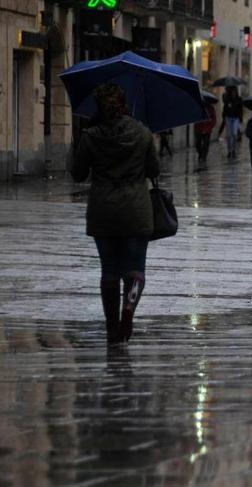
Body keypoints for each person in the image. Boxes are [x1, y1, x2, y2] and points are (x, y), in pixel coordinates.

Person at [70, 83, 160, 345]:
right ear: (124, 104)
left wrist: (78, 143)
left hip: (103, 210)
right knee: (135, 270)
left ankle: (112, 329)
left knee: (109, 271)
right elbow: (154, 170)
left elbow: (78, 174)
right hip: (136, 210)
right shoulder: (142, 133)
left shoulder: (90, 135)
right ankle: (128, 313)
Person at [221, 86, 243, 158]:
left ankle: (233, 150)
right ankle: (229, 151)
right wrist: (223, 117)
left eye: (235, 92)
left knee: (234, 134)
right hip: (228, 118)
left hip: (236, 118)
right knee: (229, 136)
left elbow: (240, 109)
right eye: (232, 92)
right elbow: (224, 108)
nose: (233, 93)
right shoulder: (227, 99)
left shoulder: (239, 99)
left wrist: (240, 118)